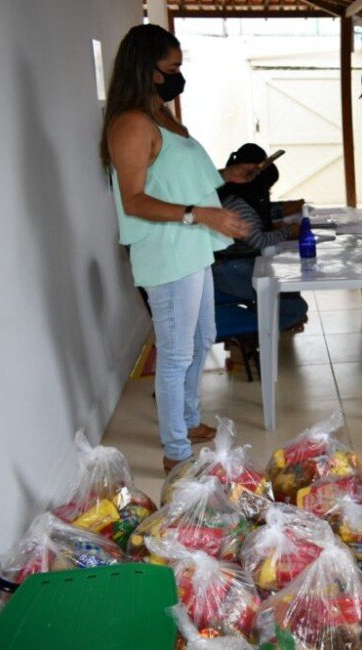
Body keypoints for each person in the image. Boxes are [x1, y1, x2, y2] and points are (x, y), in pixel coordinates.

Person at [100, 24, 254, 473]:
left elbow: (174, 179)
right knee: (175, 353)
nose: (177, 76)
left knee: (202, 338)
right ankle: (176, 452)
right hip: (167, 253)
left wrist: (226, 176)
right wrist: (200, 214)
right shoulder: (131, 124)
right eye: (172, 68)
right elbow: (134, 200)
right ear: (147, 69)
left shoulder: (161, 115)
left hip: (191, 248)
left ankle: (187, 420)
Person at [213, 142, 309, 331]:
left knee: (290, 290)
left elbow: (259, 219)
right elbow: (258, 240)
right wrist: (289, 232)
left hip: (238, 266)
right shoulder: (238, 203)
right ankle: (257, 331)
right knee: (295, 307)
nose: (268, 193)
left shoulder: (240, 198)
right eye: (267, 188)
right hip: (231, 271)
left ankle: (259, 326)